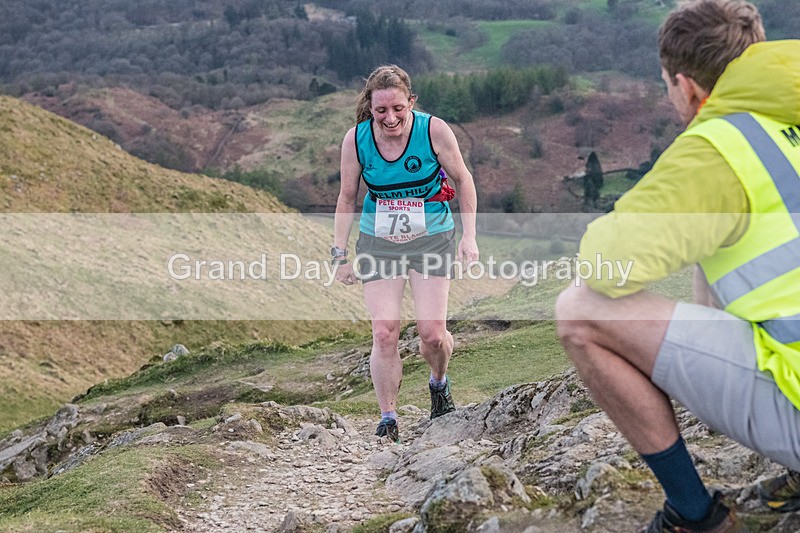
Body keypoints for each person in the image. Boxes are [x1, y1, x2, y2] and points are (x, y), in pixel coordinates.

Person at [554, 1, 800, 531]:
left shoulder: (720, 147)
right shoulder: (788, 121)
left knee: (581, 310)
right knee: (713, 261)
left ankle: (693, 514)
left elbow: (605, 266)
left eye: (667, 85)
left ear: (687, 87)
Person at [332, 65, 479, 443]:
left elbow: (463, 179)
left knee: (433, 335)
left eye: (398, 108)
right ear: (370, 107)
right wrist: (339, 254)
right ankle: (388, 418)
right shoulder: (356, 139)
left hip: (432, 238)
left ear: (411, 102)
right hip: (379, 241)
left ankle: (439, 382)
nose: (390, 117)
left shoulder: (434, 131)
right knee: (384, 332)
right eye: (381, 110)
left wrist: (470, 237)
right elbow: (347, 197)